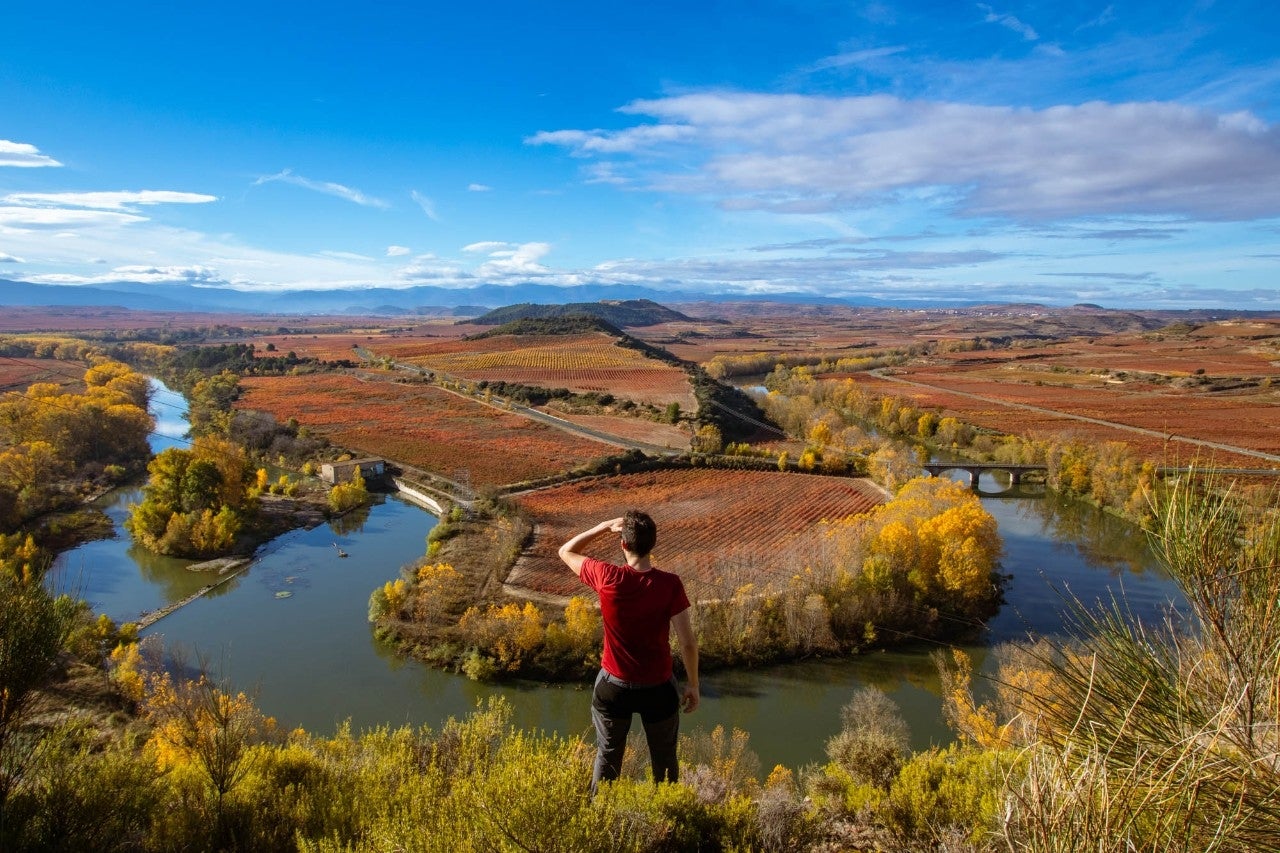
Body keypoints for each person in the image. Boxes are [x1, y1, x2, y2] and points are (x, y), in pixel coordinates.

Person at [558, 510, 699, 791]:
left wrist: (603, 526)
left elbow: (566, 551)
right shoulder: (669, 584)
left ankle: (601, 810)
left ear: (623, 544)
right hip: (659, 689)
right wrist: (693, 684)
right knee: (664, 760)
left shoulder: (607, 576)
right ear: (653, 544)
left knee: (608, 756)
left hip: (614, 687)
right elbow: (687, 643)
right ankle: (668, 812)